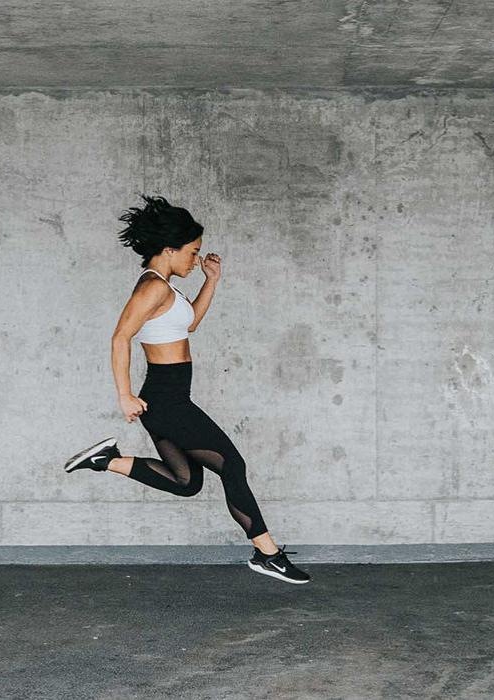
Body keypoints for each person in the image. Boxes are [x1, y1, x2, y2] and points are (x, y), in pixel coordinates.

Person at [61, 195, 310, 585]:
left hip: (170, 398)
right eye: (192, 253)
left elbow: (189, 323)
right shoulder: (151, 288)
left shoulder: (165, 287)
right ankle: (268, 554)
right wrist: (125, 395)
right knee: (233, 466)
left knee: (186, 482)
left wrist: (211, 281)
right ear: (168, 249)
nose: (196, 260)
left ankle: (104, 460)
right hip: (166, 399)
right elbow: (119, 338)